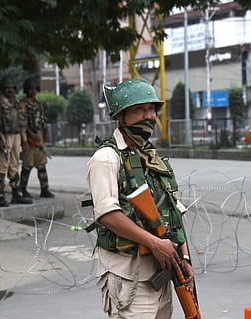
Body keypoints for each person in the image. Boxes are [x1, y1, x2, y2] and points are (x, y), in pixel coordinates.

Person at [86, 79, 196, 318]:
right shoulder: (106, 158)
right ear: (121, 115)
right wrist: (155, 243)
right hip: (129, 275)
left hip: (163, 270)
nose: (148, 116)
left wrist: (184, 257)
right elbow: (107, 215)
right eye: (139, 110)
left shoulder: (153, 158)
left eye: (151, 109)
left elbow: (174, 213)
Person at [0, 76, 33, 207]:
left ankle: (16, 194)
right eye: (7, 88)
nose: (10, 90)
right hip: (3, 137)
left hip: (16, 138)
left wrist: (24, 140)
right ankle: (0, 196)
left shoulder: (17, 104)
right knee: (1, 167)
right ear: (2, 89)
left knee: (14, 166)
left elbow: (21, 123)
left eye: (12, 88)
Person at [19, 77, 54, 198]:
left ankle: (45, 189)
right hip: (28, 138)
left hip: (39, 137)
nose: (33, 91)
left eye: (34, 89)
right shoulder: (23, 104)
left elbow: (43, 119)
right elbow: (22, 122)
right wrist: (30, 133)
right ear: (26, 90)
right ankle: (22, 189)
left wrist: (46, 132)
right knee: (27, 164)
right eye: (30, 89)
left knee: (41, 164)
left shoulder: (38, 104)